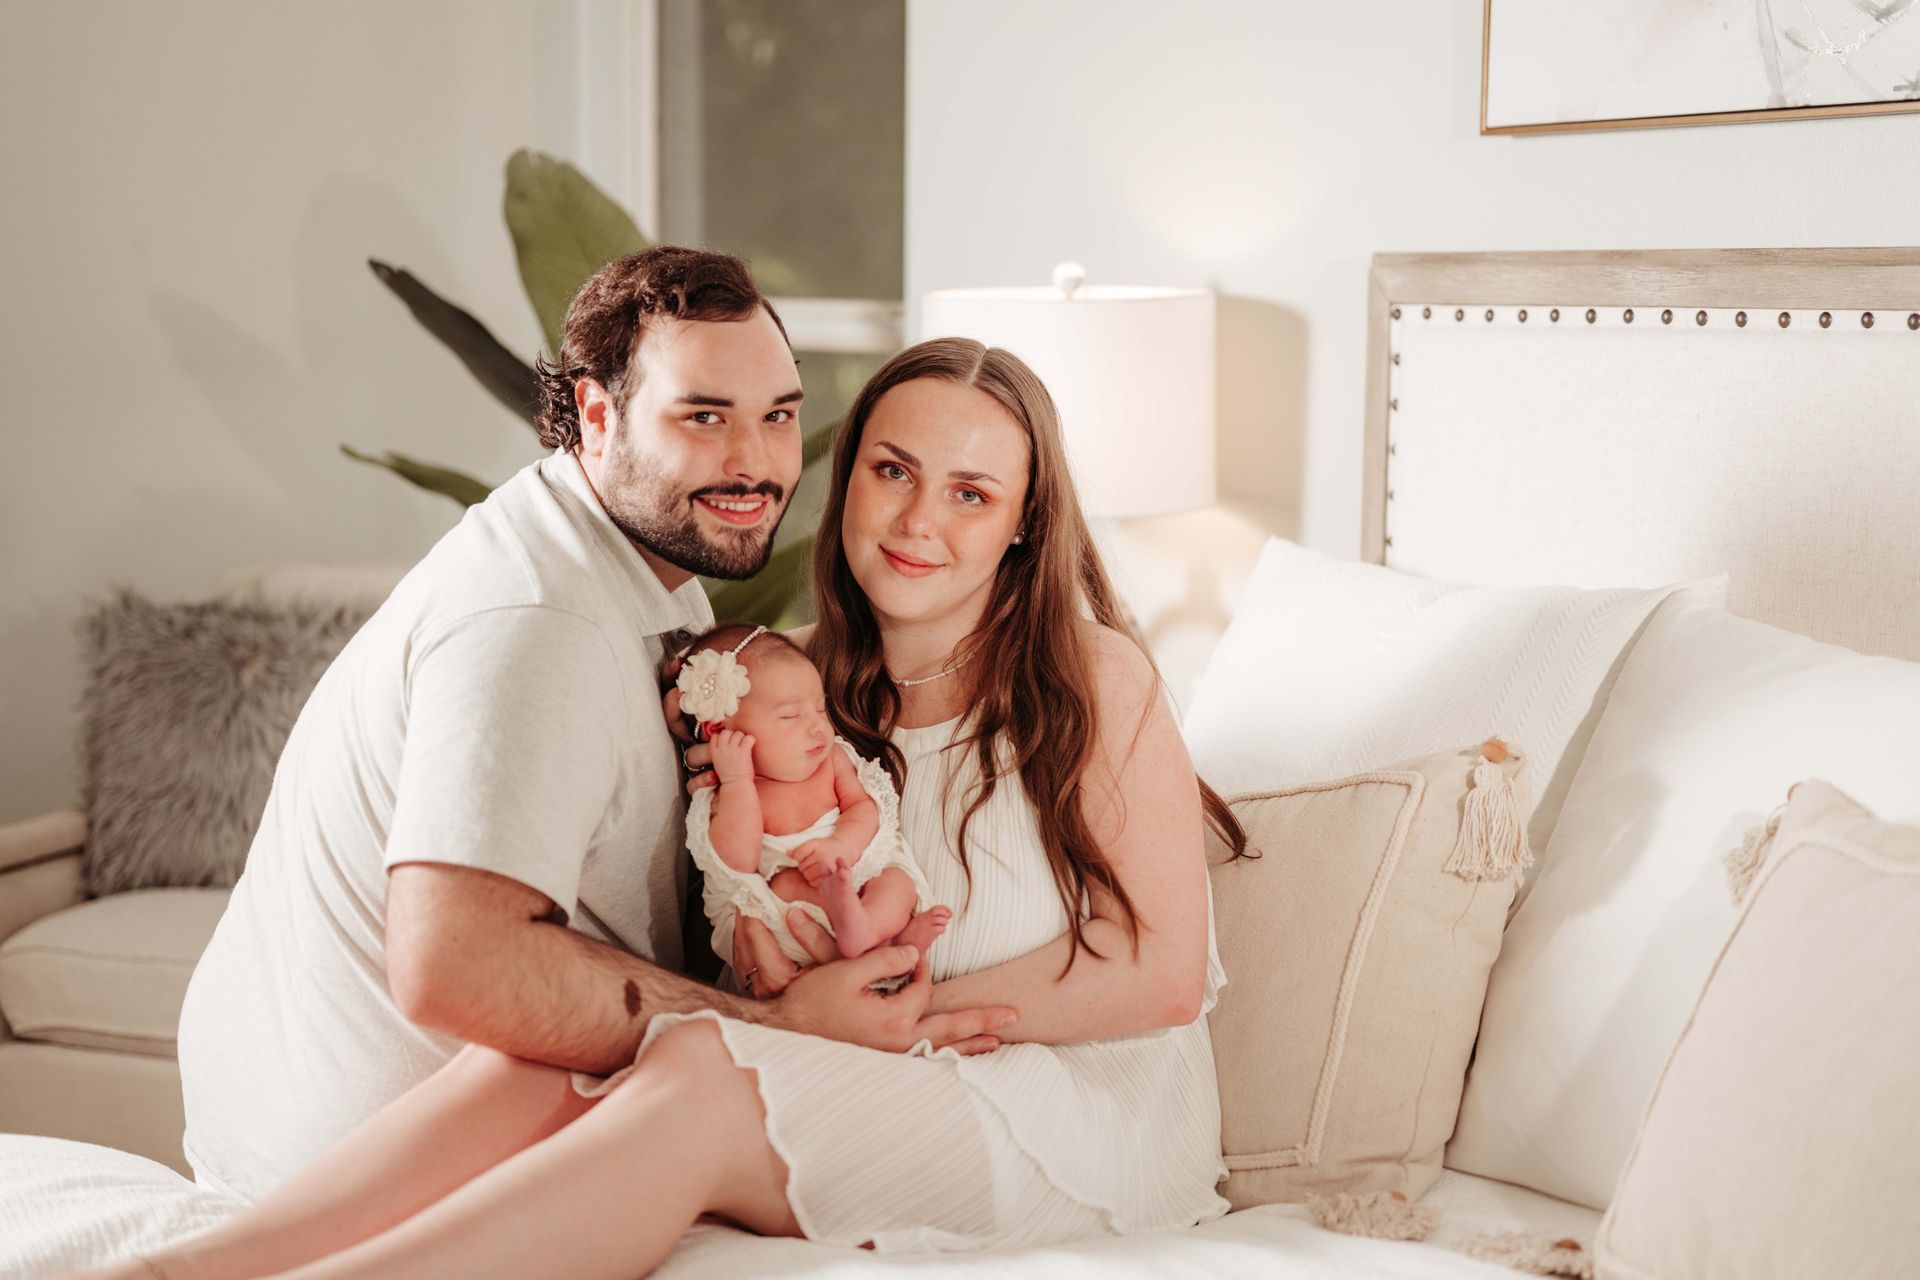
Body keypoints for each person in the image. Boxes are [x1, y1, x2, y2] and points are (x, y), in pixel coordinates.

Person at [89, 337, 1247, 1280]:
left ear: (1024, 525)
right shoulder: (770, 682)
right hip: (880, 1063)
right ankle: (193, 1268)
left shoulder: (1093, 678)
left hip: (1074, 1119)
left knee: (695, 1074)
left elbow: (1160, 975)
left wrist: (890, 1010)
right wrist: (791, 1002)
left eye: (971, 491)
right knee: (553, 1052)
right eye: (891, 470)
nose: (917, 520)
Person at [171, 248, 1010, 1207]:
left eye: (777, 414)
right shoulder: (537, 620)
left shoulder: (645, 582)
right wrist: (777, 1026)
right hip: (365, 1173)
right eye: (704, 416)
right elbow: (458, 965)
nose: (757, 462)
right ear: (600, 416)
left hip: (404, 1128)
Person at [673, 622, 951, 963]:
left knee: (896, 881)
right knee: (785, 886)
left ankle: (876, 931)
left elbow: (863, 808)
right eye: (790, 715)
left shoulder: (832, 758)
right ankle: (865, 932)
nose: (818, 725)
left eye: (820, 708)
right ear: (721, 729)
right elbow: (737, 864)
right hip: (798, 894)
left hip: (854, 862)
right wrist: (737, 782)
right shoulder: (727, 792)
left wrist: (841, 847)